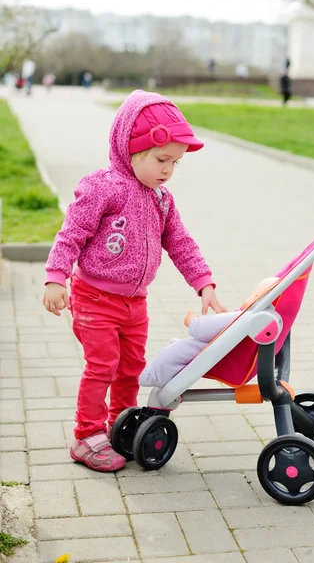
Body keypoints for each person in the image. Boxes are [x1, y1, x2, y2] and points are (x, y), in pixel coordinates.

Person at [42, 90, 227, 472]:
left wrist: (204, 282)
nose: (167, 170)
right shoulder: (102, 187)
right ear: (131, 150)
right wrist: (56, 277)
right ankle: (86, 435)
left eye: (175, 163)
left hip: (135, 303)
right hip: (94, 297)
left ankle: (119, 424)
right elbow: (71, 233)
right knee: (102, 366)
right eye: (162, 160)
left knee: (130, 367)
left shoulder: (162, 200)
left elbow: (179, 241)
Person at [139, 277, 279, 388]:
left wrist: (193, 322)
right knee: (178, 349)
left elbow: (205, 329)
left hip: (201, 353)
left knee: (170, 356)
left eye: (254, 295)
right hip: (207, 350)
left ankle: (152, 376)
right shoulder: (251, 320)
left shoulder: (244, 317)